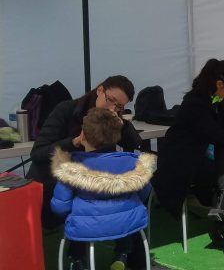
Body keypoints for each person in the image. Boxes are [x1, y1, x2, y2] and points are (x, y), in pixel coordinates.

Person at [152, 59, 224, 249]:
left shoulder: (215, 96)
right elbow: (215, 135)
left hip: (199, 156)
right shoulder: (194, 103)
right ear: (219, 84)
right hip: (181, 161)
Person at [28, 75, 141, 229]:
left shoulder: (112, 118)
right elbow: (38, 154)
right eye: (110, 100)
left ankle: (127, 250)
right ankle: (78, 247)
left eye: (119, 106)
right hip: (56, 183)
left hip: (90, 185)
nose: (112, 109)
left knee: (124, 201)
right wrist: (73, 142)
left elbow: (135, 143)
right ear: (100, 90)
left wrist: (123, 125)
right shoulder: (66, 110)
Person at [51, 107, 155, 270]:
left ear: (83, 136)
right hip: (128, 223)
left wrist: (76, 212)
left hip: (86, 227)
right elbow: (145, 191)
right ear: (117, 136)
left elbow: (60, 205)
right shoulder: (133, 163)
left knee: (77, 219)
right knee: (122, 212)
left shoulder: (71, 167)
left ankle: (77, 261)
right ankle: (122, 254)